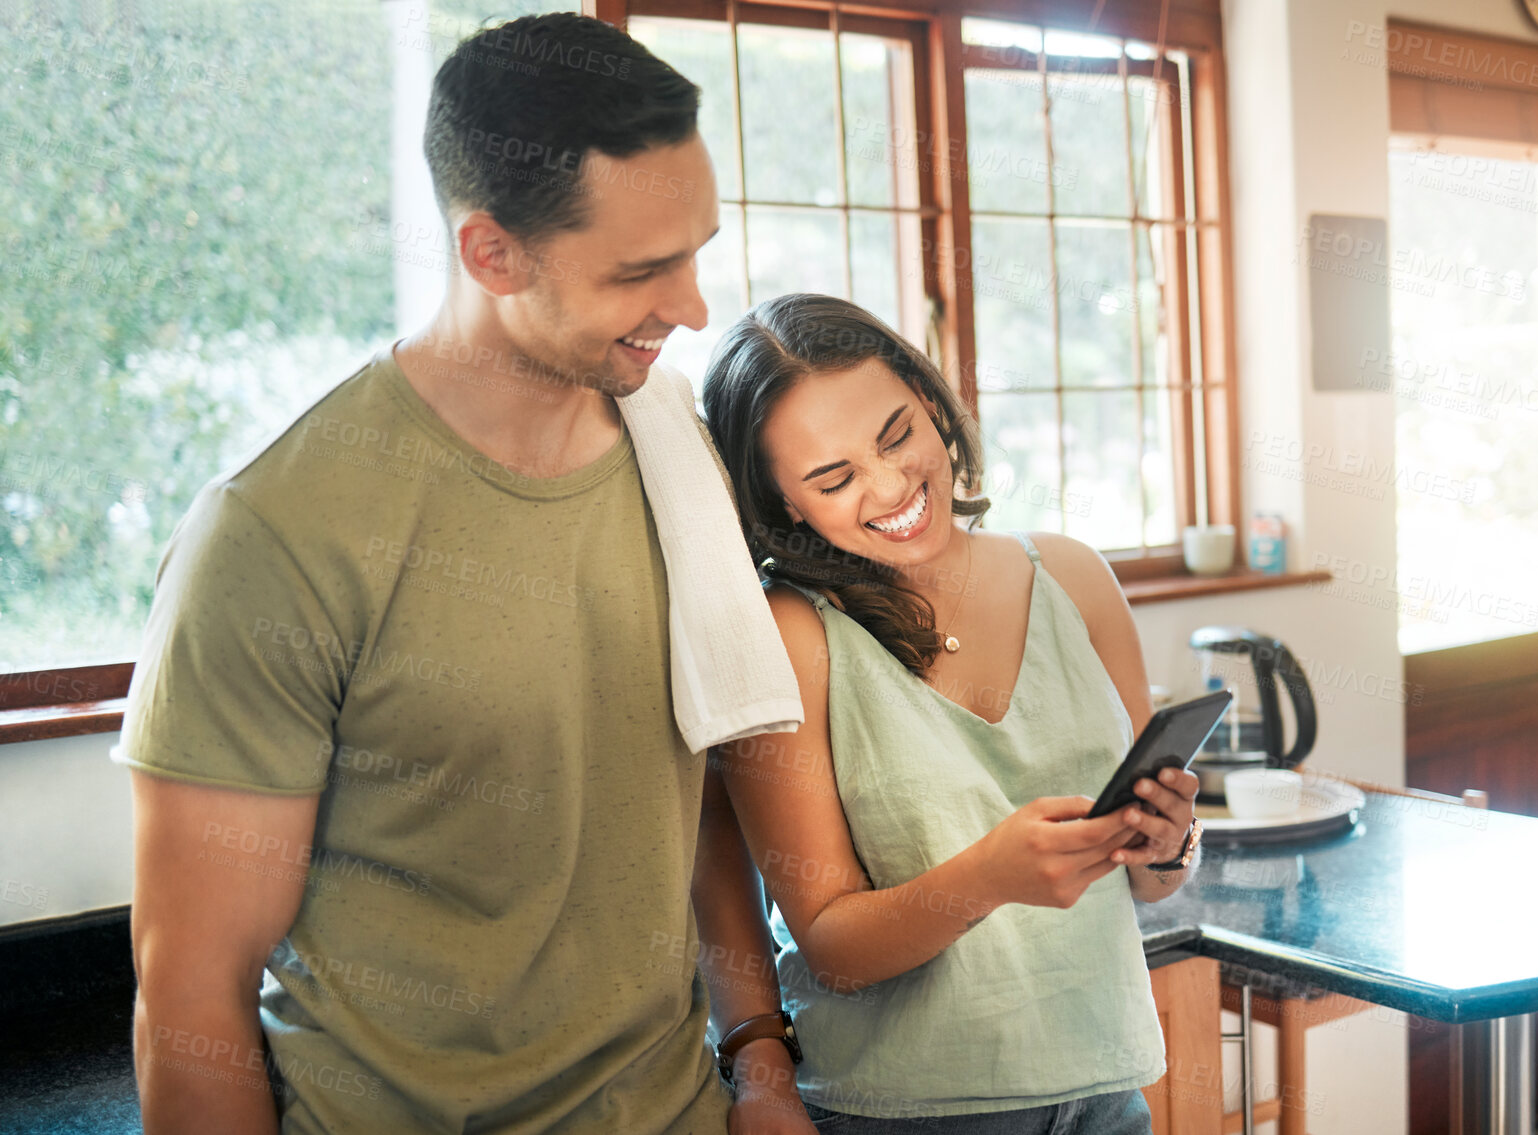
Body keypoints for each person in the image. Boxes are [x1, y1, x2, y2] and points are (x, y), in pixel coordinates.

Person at [118, 14, 813, 1134]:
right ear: (490, 253)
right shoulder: (275, 536)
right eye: (640, 270)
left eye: (696, 251)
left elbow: (697, 802)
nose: (691, 308)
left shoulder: (681, 452)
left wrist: (759, 1059)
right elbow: (190, 997)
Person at [701, 293, 1204, 1132]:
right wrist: (987, 878)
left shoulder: (1075, 578)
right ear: (785, 504)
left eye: (896, 435)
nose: (892, 485)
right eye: (834, 478)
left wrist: (1169, 837)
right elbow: (831, 947)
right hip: (907, 1112)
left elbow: (1153, 883)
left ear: (932, 405)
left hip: (1107, 1091)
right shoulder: (793, 634)